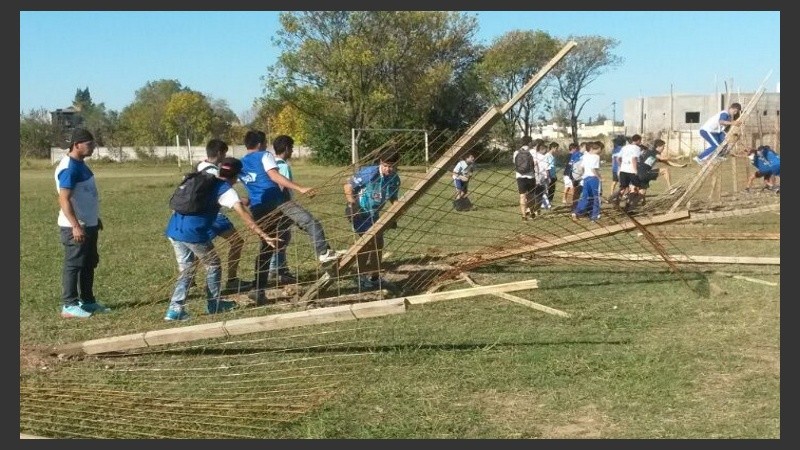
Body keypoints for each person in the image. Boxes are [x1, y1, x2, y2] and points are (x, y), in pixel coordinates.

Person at [164, 153, 279, 321]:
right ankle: (214, 304)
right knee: (214, 265)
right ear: (237, 176)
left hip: (174, 229)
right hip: (194, 234)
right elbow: (245, 216)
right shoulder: (225, 190)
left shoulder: (204, 180)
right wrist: (264, 235)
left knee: (187, 270)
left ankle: (174, 310)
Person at [238, 131, 333, 305]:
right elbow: (274, 176)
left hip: (258, 208)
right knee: (310, 221)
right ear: (260, 144)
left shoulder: (240, 164)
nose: (267, 146)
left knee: (267, 248)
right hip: (278, 202)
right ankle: (324, 254)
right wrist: (300, 188)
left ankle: (258, 289)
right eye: (265, 142)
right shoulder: (264, 155)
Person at [268, 134, 342, 285]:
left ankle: (277, 270)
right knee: (311, 224)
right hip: (284, 206)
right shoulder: (281, 165)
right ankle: (324, 253)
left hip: (274, 206)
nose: (293, 152)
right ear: (287, 148)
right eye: (292, 148)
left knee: (282, 237)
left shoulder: (271, 164)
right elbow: (281, 186)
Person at [54, 128, 110, 318]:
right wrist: (76, 225)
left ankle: (88, 301)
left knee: (88, 263)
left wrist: (95, 218)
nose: (93, 147)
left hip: (89, 224)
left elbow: (84, 195)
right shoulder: (69, 167)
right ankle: (69, 305)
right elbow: (64, 199)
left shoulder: (81, 164)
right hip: (75, 227)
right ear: (77, 145)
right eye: (89, 144)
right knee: (74, 264)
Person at [196, 141, 253, 294]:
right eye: (225, 153)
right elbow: (222, 194)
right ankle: (232, 280)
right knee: (236, 242)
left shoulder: (200, 166)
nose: (225, 156)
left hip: (200, 215)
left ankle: (192, 281)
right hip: (214, 215)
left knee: (199, 248)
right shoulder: (214, 173)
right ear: (220, 153)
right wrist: (242, 201)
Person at [344, 148, 401, 290]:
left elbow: (393, 198)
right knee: (368, 243)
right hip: (360, 212)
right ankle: (360, 277)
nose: (389, 169)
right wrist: (352, 205)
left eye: (392, 166)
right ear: (381, 162)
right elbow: (348, 186)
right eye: (386, 165)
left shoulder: (394, 179)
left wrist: (395, 213)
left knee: (378, 244)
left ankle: (375, 277)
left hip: (374, 215)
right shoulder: (369, 173)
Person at [571, 141, 603, 222]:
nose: (600, 151)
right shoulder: (596, 157)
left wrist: (583, 175)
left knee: (585, 197)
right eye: (599, 149)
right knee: (596, 197)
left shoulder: (585, 156)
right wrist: (599, 177)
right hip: (593, 178)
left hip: (586, 178)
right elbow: (594, 169)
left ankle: (576, 212)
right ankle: (594, 216)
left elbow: (581, 167)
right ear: (593, 149)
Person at [609, 134, 642, 208]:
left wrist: (622, 165)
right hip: (631, 171)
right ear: (638, 140)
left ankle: (614, 199)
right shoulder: (637, 148)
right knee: (638, 187)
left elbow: (618, 159)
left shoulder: (625, 147)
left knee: (623, 187)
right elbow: (634, 159)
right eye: (640, 140)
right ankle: (629, 204)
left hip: (623, 170)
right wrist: (635, 170)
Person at [513, 135, 537, 220]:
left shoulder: (516, 152)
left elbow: (515, 164)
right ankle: (531, 212)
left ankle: (523, 216)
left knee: (522, 196)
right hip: (530, 176)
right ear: (530, 142)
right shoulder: (533, 151)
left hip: (520, 176)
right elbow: (536, 163)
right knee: (531, 195)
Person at [545, 142, 559, 207]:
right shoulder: (547, 156)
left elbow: (553, 167)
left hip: (553, 175)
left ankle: (549, 203)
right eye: (556, 148)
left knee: (552, 190)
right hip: (549, 175)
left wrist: (555, 175)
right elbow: (546, 167)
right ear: (552, 148)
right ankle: (546, 203)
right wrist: (548, 177)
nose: (557, 150)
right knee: (548, 189)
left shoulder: (553, 156)